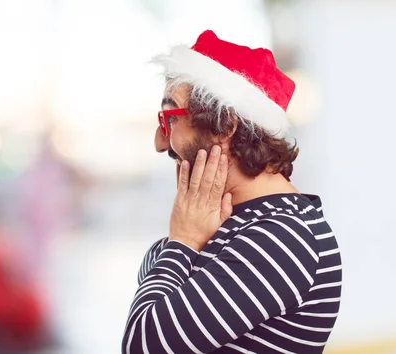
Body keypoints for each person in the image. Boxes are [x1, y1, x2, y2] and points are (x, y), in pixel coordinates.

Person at [122, 30, 342, 353]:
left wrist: (183, 241)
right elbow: (153, 266)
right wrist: (182, 244)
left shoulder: (285, 236)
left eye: (170, 118)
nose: (159, 141)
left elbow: (142, 345)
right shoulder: (236, 223)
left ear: (225, 125)